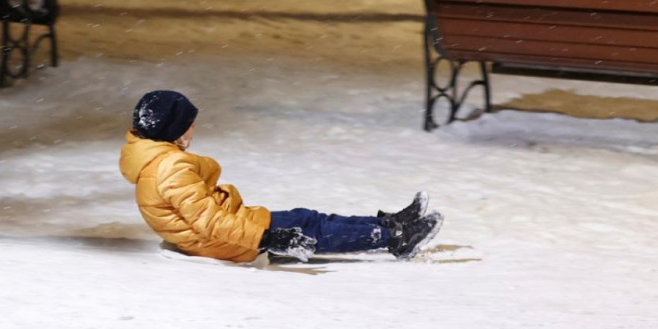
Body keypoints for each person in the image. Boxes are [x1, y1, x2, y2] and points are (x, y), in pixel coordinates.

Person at [119, 90, 443, 263]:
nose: (193, 129)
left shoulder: (155, 160)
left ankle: (389, 223)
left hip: (225, 230)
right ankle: (397, 240)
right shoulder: (170, 168)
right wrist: (267, 239)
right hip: (223, 242)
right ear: (172, 130)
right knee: (313, 229)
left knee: (309, 218)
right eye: (189, 124)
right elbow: (210, 223)